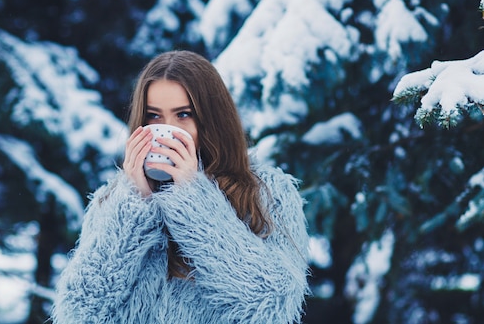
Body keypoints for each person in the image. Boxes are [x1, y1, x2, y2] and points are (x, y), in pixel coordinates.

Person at [51, 50, 309, 324]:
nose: (167, 130)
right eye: (154, 116)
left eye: (183, 114)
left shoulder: (268, 194)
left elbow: (272, 303)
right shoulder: (113, 201)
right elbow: (79, 312)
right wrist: (135, 205)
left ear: (211, 120)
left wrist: (194, 200)